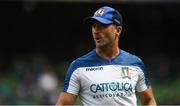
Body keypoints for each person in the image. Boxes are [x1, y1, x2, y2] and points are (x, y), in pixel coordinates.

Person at [56, 6, 156, 105]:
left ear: (118, 30)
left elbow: (149, 100)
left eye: (102, 26)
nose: (96, 31)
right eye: (94, 26)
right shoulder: (78, 67)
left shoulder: (135, 64)